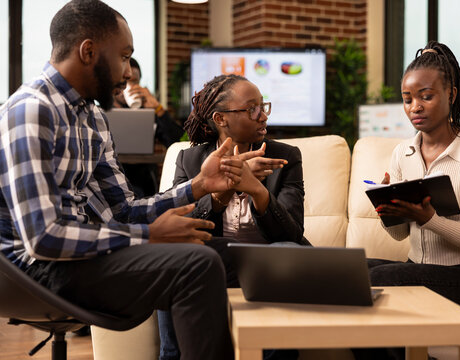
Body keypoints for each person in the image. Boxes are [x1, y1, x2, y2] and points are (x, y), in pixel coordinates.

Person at [0, 1, 262, 359]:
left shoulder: (91, 117)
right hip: (32, 271)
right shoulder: (32, 110)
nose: (127, 73)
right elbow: (43, 238)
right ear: (88, 51)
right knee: (195, 264)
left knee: (235, 256)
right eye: (124, 57)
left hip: (79, 258)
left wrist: (199, 184)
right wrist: (150, 236)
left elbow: (121, 211)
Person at [353, 41, 460, 360]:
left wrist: (430, 219)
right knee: (351, 272)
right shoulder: (402, 153)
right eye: (408, 99)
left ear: (450, 94)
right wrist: (388, 211)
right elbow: (400, 235)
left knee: (379, 279)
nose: (415, 107)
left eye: (426, 96)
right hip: (418, 268)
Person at [157, 74, 309, 360]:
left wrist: (256, 190)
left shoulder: (286, 156)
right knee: (174, 254)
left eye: (264, 106)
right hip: (214, 265)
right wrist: (220, 192)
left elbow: (292, 232)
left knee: (285, 252)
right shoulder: (190, 161)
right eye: (252, 109)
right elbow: (177, 223)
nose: (263, 115)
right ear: (220, 119)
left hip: (270, 262)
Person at [113, 57, 183, 197]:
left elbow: (179, 142)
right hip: (112, 183)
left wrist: (158, 109)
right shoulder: (99, 112)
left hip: (143, 186)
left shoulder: (149, 113)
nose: (128, 86)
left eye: (134, 81)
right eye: (124, 80)